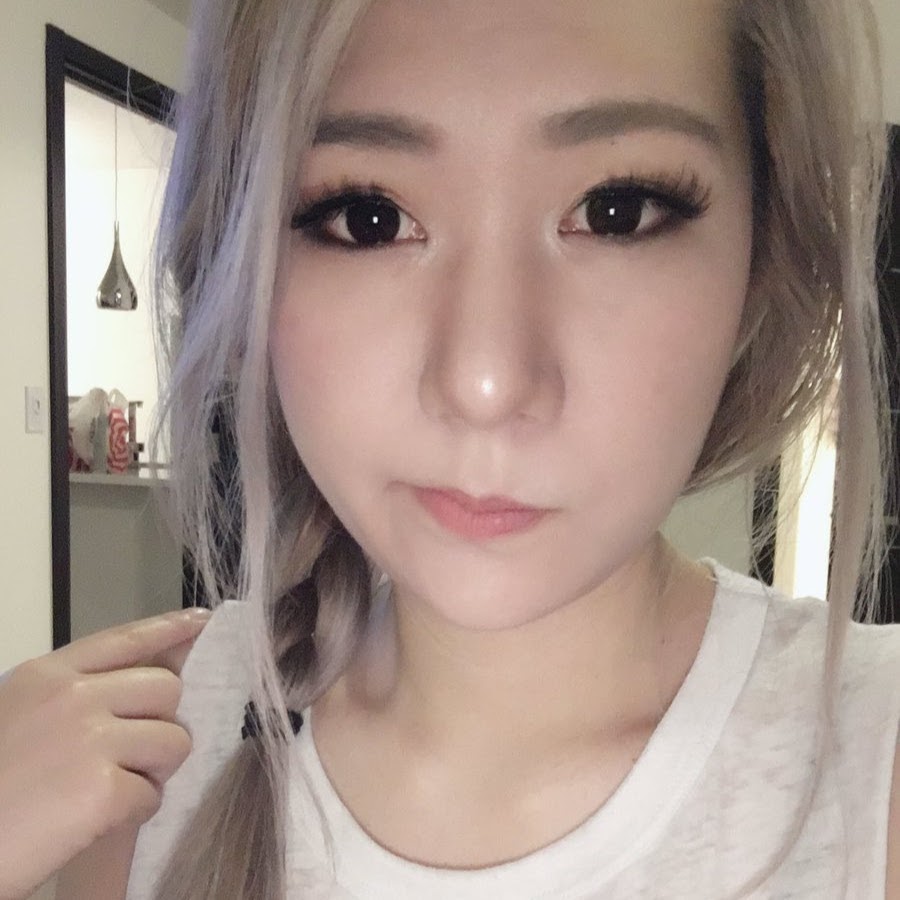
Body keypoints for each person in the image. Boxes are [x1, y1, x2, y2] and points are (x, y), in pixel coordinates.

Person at [0, 0, 897, 897]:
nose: (485, 381)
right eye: (368, 218)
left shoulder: (874, 763)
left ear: (762, 251)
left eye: (616, 211)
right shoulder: (145, 751)